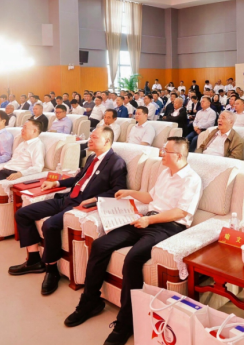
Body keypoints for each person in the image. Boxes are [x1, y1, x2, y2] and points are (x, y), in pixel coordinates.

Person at [65, 137, 202, 345]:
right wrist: (130, 193)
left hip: (168, 227)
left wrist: (149, 220)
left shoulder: (192, 179)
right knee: (100, 245)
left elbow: (180, 212)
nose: (161, 153)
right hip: (147, 219)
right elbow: (151, 198)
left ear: (178, 155)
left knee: (133, 258)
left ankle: (125, 323)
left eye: (165, 151)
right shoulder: (165, 172)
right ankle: (89, 302)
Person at [11, 126, 127, 294]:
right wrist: (56, 183)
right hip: (68, 198)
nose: (90, 140)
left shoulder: (116, 162)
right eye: (90, 137)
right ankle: (34, 260)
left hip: (80, 206)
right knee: (22, 213)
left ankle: (52, 270)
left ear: (107, 141)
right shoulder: (92, 158)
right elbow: (78, 179)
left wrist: (95, 199)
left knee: (50, 225)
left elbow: (118, 190)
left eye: (94, 137)